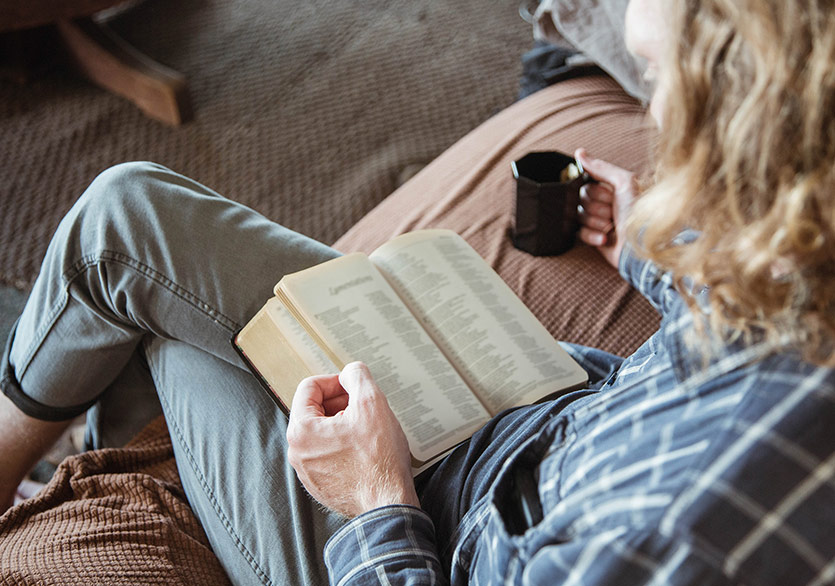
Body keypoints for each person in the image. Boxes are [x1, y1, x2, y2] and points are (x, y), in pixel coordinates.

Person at [2, 0, 834, 583]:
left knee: (143, 291)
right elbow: (761, 325)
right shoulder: (815, 284)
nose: (654, 115)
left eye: (654, 80)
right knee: (128, 215)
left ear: (748, 119)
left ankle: (84, 485)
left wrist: (375, 498)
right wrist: (657, 248)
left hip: (417, 536)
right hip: (531, 412)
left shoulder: (680, 535)